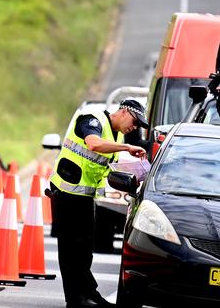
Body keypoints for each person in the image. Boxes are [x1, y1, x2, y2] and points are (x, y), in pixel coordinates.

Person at [49, 98, 148, 308]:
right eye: (135, 121)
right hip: (66, 192)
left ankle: (89, 294)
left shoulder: (115, 135)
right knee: (71, 251)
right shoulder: (92, 119)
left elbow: (104, 163)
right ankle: (75, 299)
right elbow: (93, 143)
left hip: (83, 197)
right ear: (123, 112)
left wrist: (138, 170)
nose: (135, 127)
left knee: (84, 250)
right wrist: (127, 147)